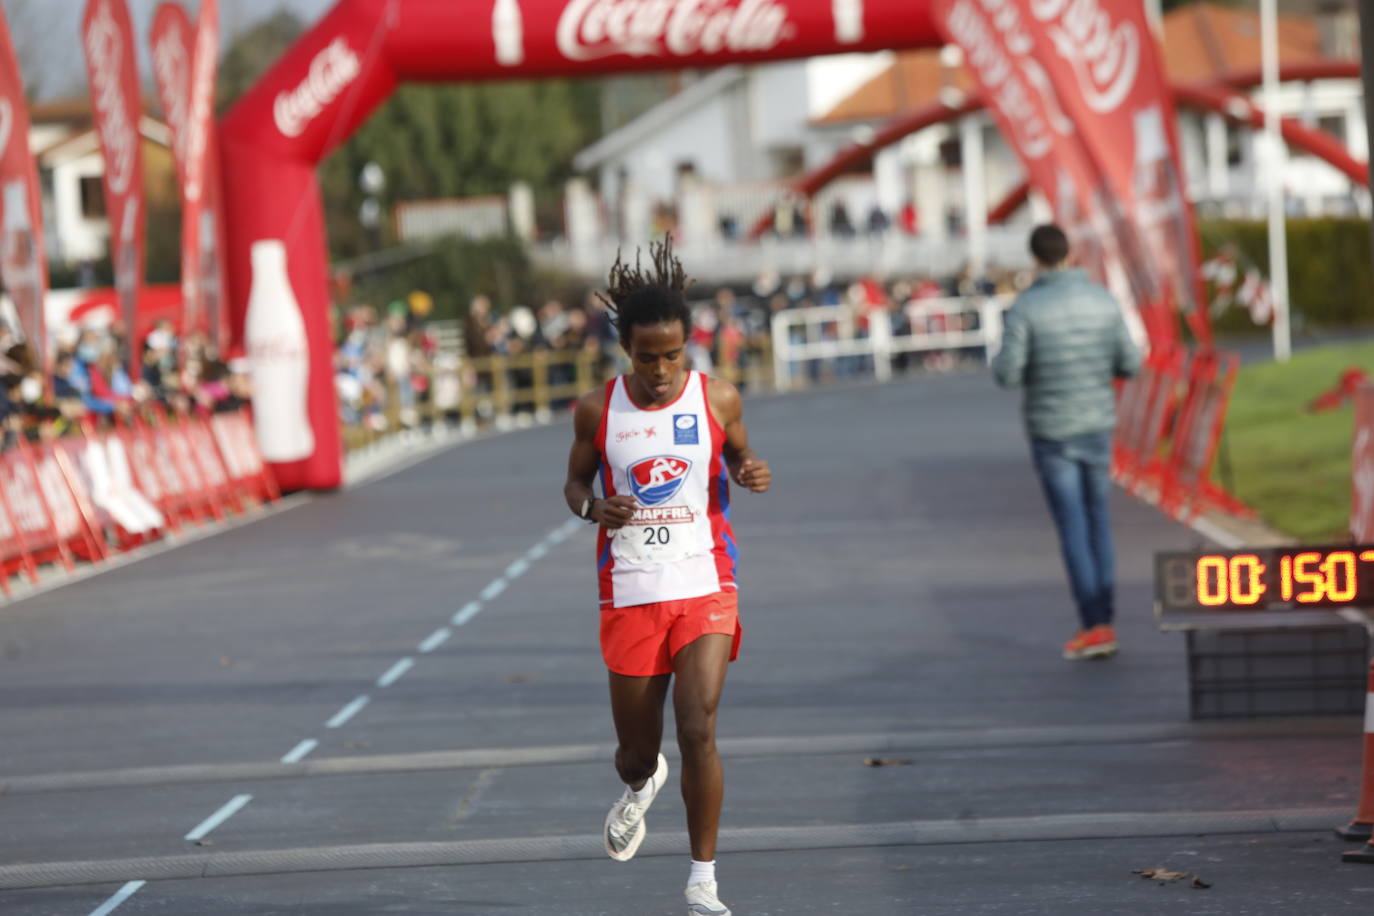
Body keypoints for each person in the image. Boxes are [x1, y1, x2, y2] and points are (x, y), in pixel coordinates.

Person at [563, 237, 771, 916]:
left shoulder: (720, 399)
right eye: (647, 357)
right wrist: (597, 507)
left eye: (673, 355)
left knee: (699, 728)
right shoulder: (599, 411)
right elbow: (572, 483)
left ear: (689, 345)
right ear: (626, 349)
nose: (660, 370)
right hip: (631, 592)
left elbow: (740, 456)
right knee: (636, 751)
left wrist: (749, 471)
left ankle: (702, 882)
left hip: (704, 585)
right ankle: (639, 783)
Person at [992, 224, 1141, 661]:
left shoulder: (1026, 309)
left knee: (1073, 526)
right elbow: (1130, 363)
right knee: (1099, 522)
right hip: (1096, 424)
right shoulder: (1103, 301)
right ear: (1069, 254)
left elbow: (1008, 374)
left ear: (1035, 258)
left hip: (1052, 432)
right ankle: (1106, 620)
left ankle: (1092, 624)